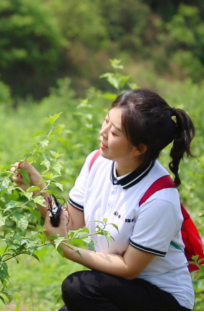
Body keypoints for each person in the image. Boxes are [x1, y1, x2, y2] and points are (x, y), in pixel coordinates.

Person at [12, 89, 195, 311]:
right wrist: (39, 190)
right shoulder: (96, 162)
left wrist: (66, 249)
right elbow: (71, 224)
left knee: (78, 287)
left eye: (115, 133)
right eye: (106, 121)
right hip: (113, 290)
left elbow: (129, 268)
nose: (103, 132)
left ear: (139, 148)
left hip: (163, 298)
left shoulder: (160, 198)